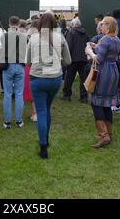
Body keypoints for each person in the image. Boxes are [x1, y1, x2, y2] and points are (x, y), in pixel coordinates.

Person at [26, 12, 71, 158]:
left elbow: (27, 61)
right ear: (54, 24)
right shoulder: (60, 37)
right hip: (54, 78)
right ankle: (45, 140)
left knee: (41, 111)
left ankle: (43, 145)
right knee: (46, 109)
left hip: (37, 78)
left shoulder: (33, 38)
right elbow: (68, 61)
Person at [85, 16, 120, 148]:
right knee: (107, 104)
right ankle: (109, 134)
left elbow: (99, 59)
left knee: (96, 103)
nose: (101, 27)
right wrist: (96, 46)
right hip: (113, 71)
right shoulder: (116, 39)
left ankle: (103, 135)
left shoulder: (105, 39)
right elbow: (110, 54)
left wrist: (89, 51)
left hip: (103, 72)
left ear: (108, 26)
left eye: (103, 25)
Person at [0, 16, 28, 129]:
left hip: (8, 66)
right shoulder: (24, 37)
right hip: (20, 66)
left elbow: (0, 51)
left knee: (8, 94)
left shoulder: (4, 36)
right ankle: (19, 121)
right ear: (19, 24)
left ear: (9, 24)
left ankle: (7, 122)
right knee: (19, 94)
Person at [61, 18, 89, 103]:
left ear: (73, 25)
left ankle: (67, 95)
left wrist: (66, 58)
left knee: (69, 77)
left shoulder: (71, 32)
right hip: (83, 59)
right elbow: (88, 44)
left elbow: (68, 46)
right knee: (84, 78)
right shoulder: (85, 33)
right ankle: (84, 97)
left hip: (73, 59)